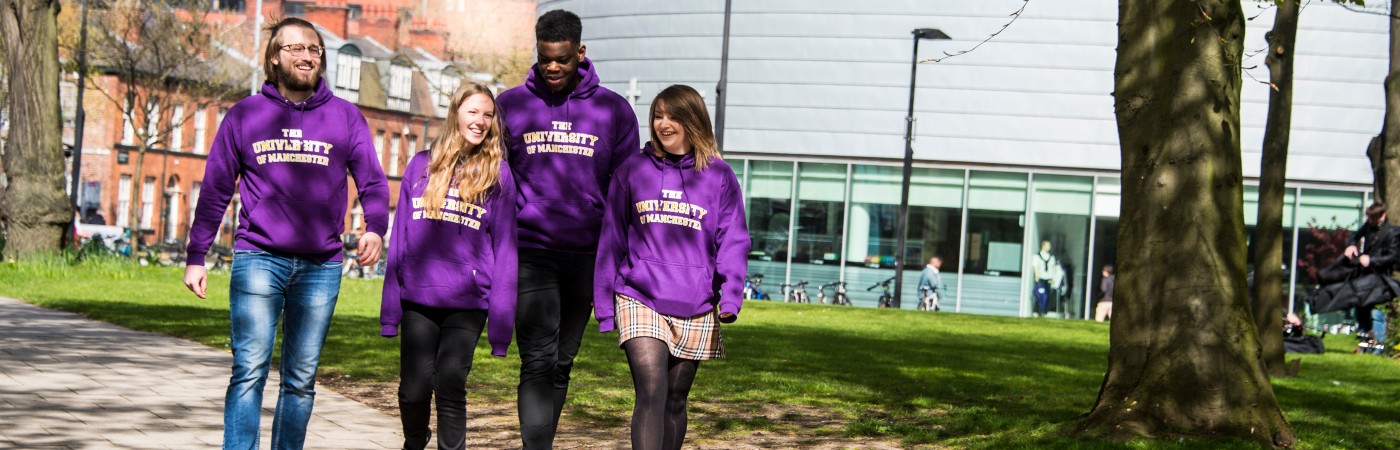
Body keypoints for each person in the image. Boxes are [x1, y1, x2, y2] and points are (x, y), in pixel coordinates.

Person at [182, 17, 389, 450]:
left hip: (321, 265)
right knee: (249, 370)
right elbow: (217, 186)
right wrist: (197, 255)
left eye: (313, 49)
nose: (306, 56)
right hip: (259, 257)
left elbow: (371, 181)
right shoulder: (245, 115)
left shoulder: (346, 117)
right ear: (275, 57)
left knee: (300, 380)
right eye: (295, 48)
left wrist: (375, 228)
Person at [495, 9, 641, 448]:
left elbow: (627, 189)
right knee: (537, 360)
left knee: (561, 361)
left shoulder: (614, 111)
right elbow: (492, 175)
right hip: (531, 251)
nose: (553, 68)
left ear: (580, 52)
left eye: (561, 58)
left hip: (588, 255)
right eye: (545, 59)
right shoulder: (511, 105)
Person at [595, 84, 749, 450]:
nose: (662, 123)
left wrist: (730, 297)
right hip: (639, 294)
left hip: (695, 300)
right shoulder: (633, 169)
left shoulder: (719, 176)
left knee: (675, 400)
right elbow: (612, 237)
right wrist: (603, 304)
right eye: (658, 115)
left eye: (672, 116)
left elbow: (733, 240)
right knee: (650, 391)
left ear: (692, 120)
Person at [379, 82, 518, 450]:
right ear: (456, 112)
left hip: (468, 302)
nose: (481, 121)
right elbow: (400, 240)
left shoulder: (499, 175)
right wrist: (390, 312)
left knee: (451, 381)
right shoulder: (420, 165)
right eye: (473, 112)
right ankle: (414, 440)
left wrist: (501, 327)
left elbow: (505, 249)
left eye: (488, 115)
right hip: (419, 296)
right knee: (413, 390)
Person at [1343, 202, 1394, 354]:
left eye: (1373, 219)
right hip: (1365, 276)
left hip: (1380, 278)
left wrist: (1372, 260)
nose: (1370, 221)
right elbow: (1355, 236)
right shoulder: (1369, 226)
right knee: (1361, 311)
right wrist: (1351, 245)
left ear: (1382, 216)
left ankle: (1376, 349)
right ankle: (1363, 345)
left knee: (1376, 313)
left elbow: (1392, 256)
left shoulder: (1391, 233)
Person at [1031, 240, 1063, 317]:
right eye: (1047, 245)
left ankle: (1045, 311)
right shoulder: (1037, 256)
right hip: (1041, 278)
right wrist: (1036, 277)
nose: (1049, 247)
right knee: (1039, 295)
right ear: (1043, 246)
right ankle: (1036, 311)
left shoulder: (1051, 257)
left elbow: (1053, 268)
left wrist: (1053, 278)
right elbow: (1036, 267)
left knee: (1048, 295)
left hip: (1048, 278)